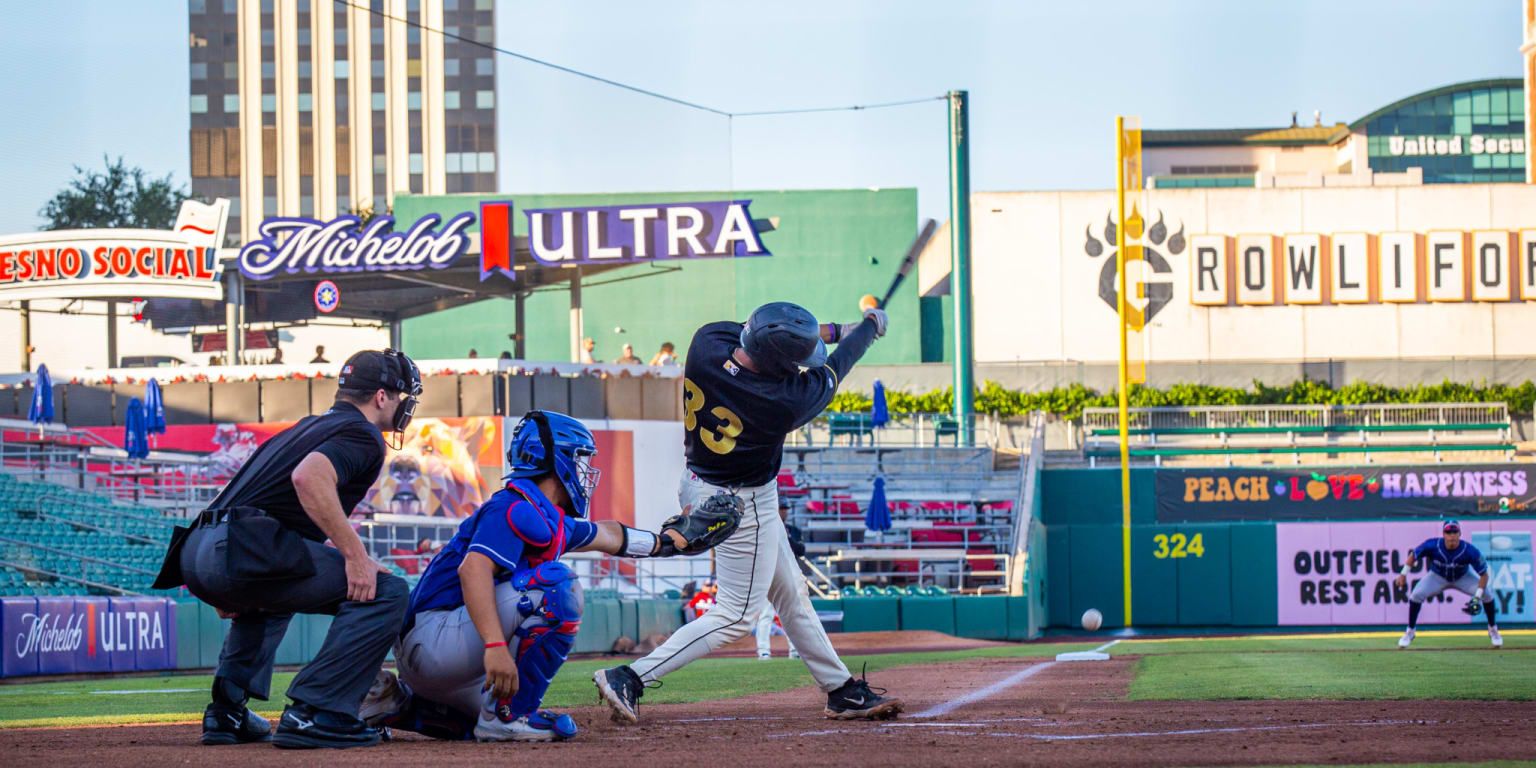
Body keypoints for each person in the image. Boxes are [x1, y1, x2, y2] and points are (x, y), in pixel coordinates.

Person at [595, 300, 902, 723]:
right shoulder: (781, 402)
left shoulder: (707, 341)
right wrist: (866, 328)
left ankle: (841, 690)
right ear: (779, 366)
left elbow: (772, 333)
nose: (800, 368)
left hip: (700, 479)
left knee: (791, 594)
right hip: (742, 503)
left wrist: (839, 328)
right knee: (737, 615)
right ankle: (630, 675)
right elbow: (841, 363)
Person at [359, 410, 741, 742]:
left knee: (472, 725)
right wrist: (494, 646)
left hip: (434, 654)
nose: (585, 471)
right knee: (558, 586)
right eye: (579, 460)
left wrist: (668, 542)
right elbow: (472, 569)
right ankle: (512, 716)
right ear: (556, 459)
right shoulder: (513, 506)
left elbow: (608, 534)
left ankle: (393, 704)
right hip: (437, 638)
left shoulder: (541, 513)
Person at [152, 349, 421, 749]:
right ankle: (318, 712)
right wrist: (356, 557)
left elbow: (243, 495)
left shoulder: (305, 427)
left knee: (278, 584)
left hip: (199, 550)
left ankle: (227, 712)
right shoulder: (363, 435)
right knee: (387, 591)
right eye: (402, 398)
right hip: (241, 550)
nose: (404, 408)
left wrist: (218, 578)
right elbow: (309, 478)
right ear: (382, 397)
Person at [1395, 519, 1501, 649]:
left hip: (1462, 577)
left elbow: (1484, 574)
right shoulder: (1433, 545)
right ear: (1443, 534)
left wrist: (1477, 597)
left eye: (1454, 532)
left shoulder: (1469, 550)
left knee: (1487, 595)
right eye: (1448, 532)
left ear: (1460, 534)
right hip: (1437, 577)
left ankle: (1493, 630)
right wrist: (1403, 574)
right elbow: (1414, 555)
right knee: (1416, 595)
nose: (1451, 535)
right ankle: (1410, 632)